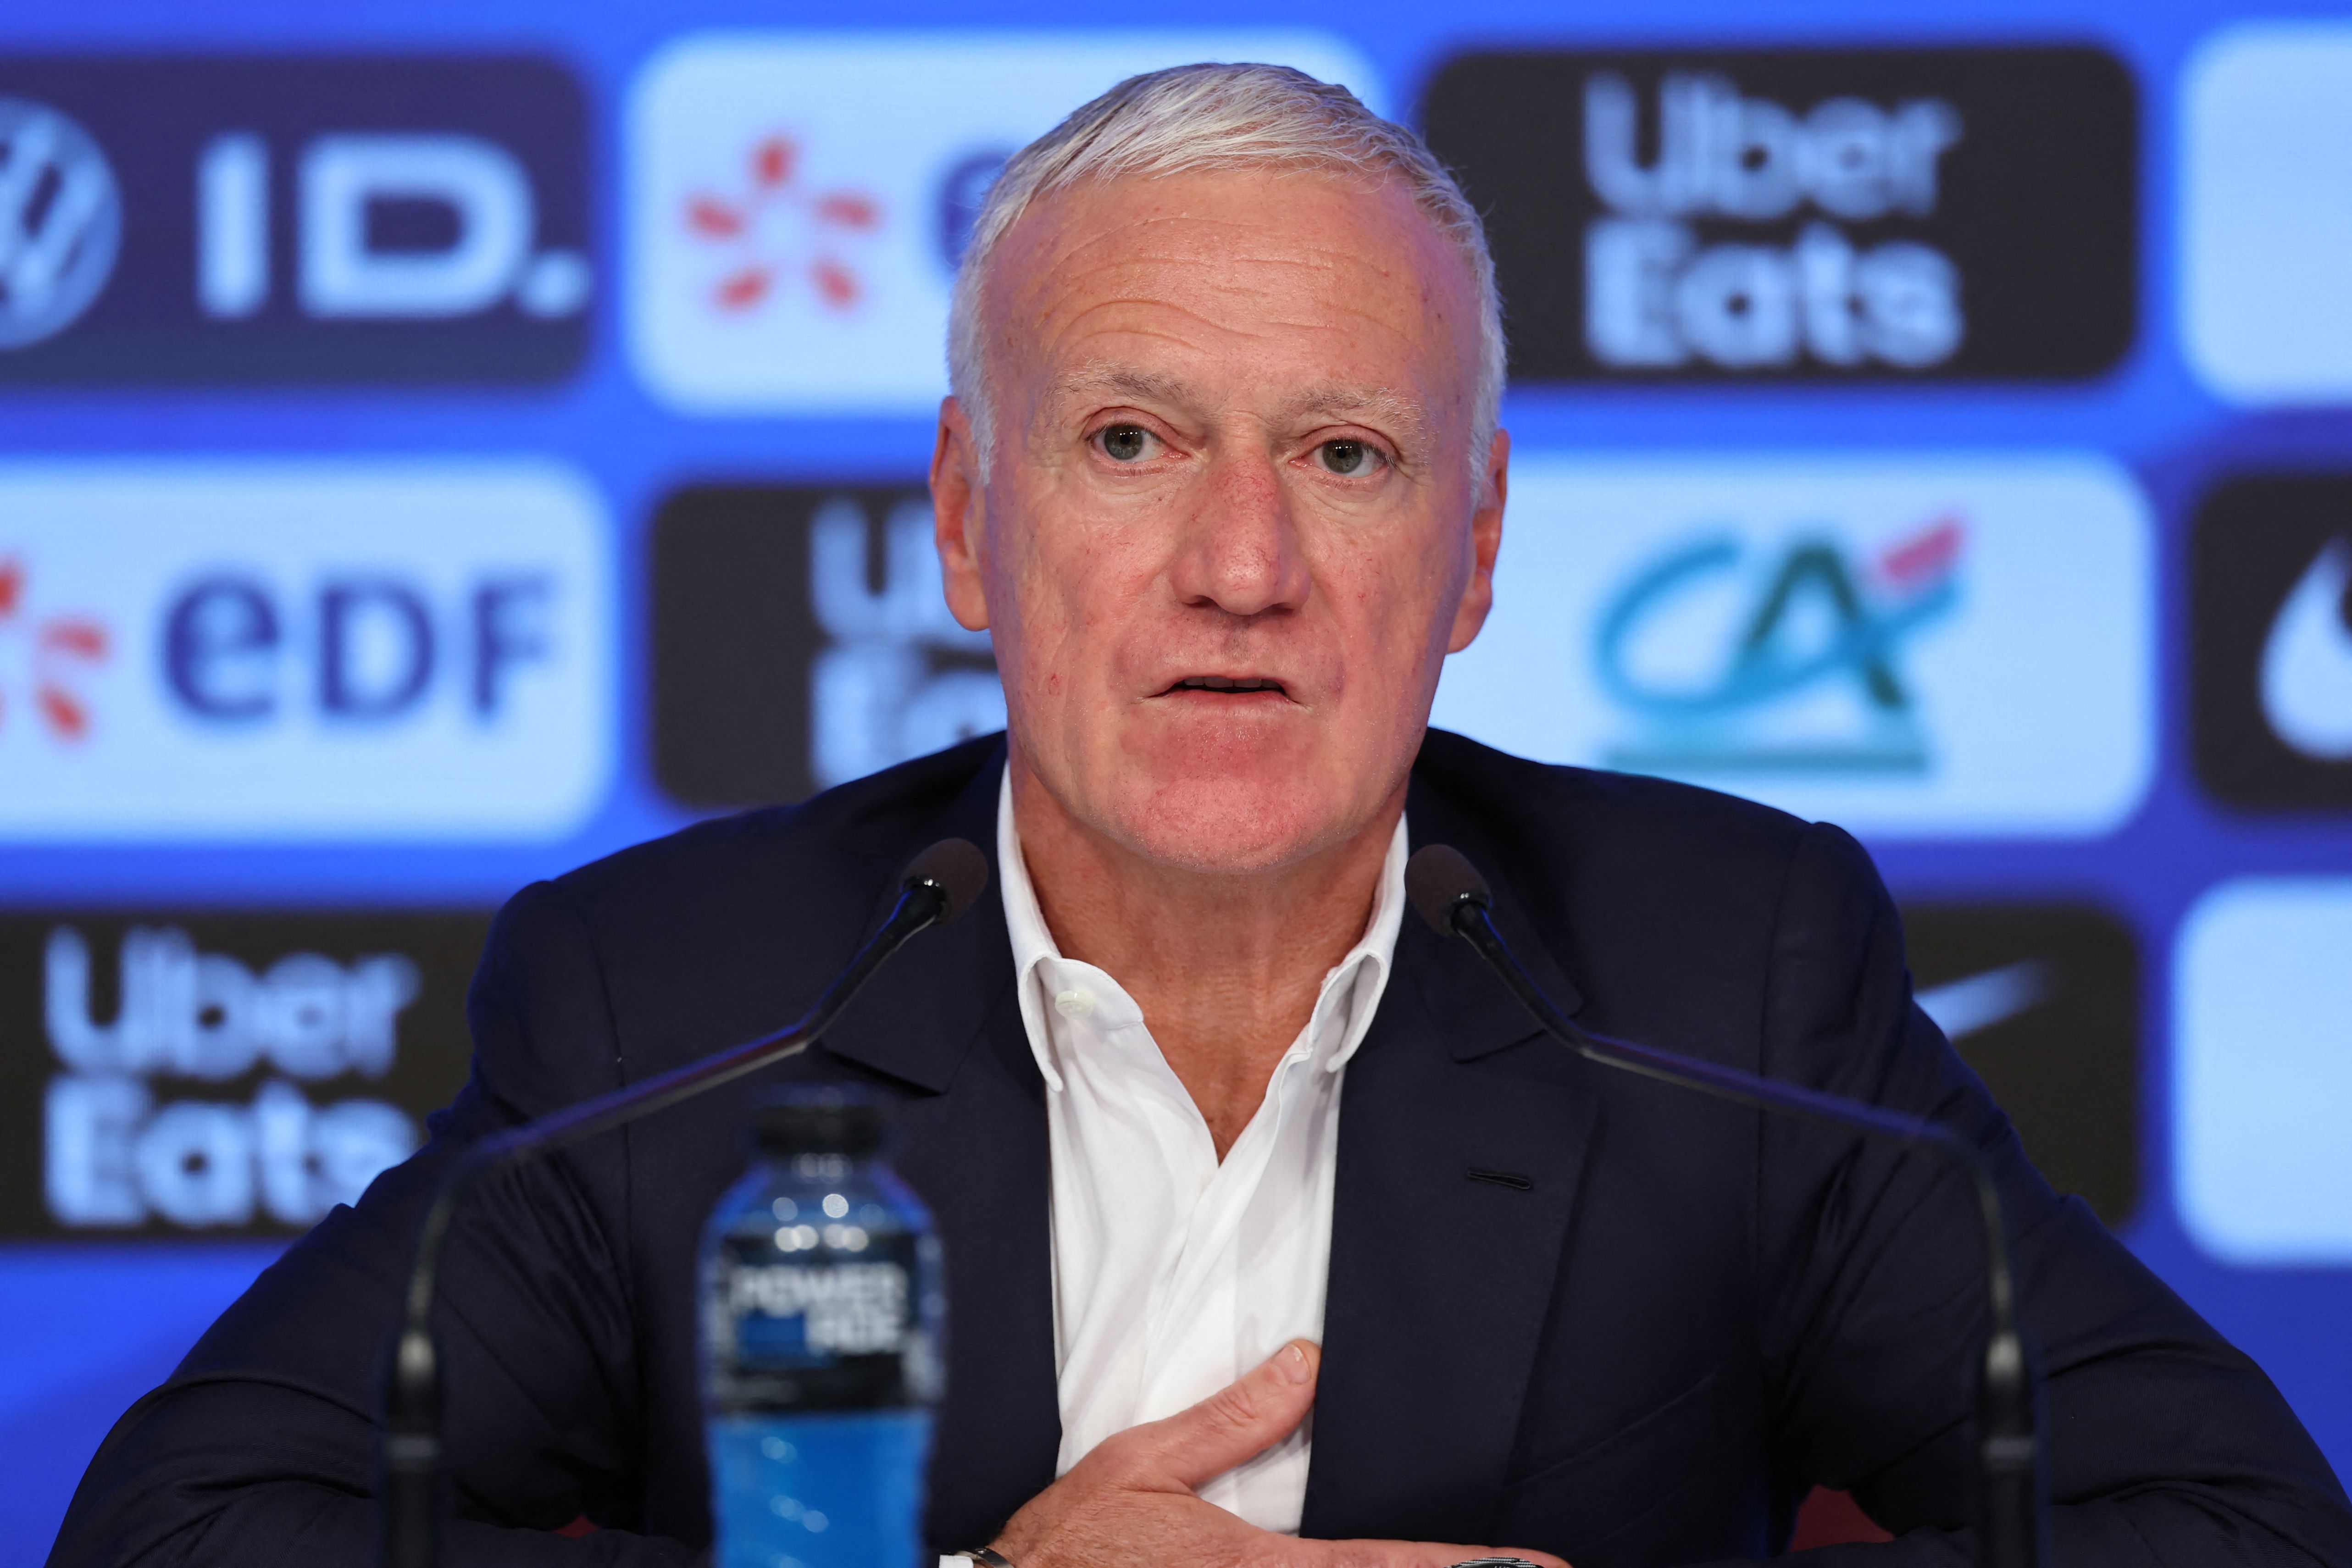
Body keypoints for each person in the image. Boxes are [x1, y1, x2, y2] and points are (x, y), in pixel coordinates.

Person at [51, 63, 2352, 1568]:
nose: (1239, 565)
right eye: (1131, 441)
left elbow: (2232, 1524)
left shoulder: (1725, 966)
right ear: (968, 521)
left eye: (1344, 456)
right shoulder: (676, 996)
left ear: (1470, 550)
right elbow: (193, 1528)